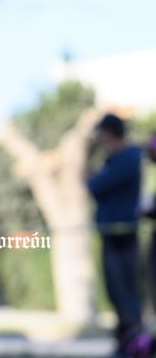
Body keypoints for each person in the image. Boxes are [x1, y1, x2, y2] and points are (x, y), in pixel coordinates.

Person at [86, 113, 150, 358]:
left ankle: (137, 345)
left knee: (125, 293)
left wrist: (93, 176)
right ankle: (126, 342)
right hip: (110, 232)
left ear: (109, 132)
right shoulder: (112, 160)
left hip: (122, 234)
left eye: (101, 133)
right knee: (116, 292)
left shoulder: (128, 158)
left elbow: (95, 186)